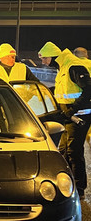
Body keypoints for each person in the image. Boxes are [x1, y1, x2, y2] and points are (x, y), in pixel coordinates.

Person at [38, 41, 91, 197]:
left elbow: (88, 89)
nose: (43, 62)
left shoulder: (73, 66)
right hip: (68, 115)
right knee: (63, 150)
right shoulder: (63, 66)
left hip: (79, 115)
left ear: (53, 56)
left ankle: (79, 189)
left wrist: (73, 108)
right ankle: (66, 184)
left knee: (74, 151)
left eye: (45, 59)